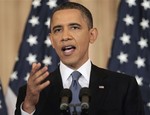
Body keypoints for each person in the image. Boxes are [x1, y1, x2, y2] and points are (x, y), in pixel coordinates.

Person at [15, 2, 145, 115]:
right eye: (58, 30)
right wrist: (28, 107)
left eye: (74, 27)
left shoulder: (123, 86)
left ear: (92, 35)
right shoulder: (31, 93)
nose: (65, 36)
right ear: (52, 40)